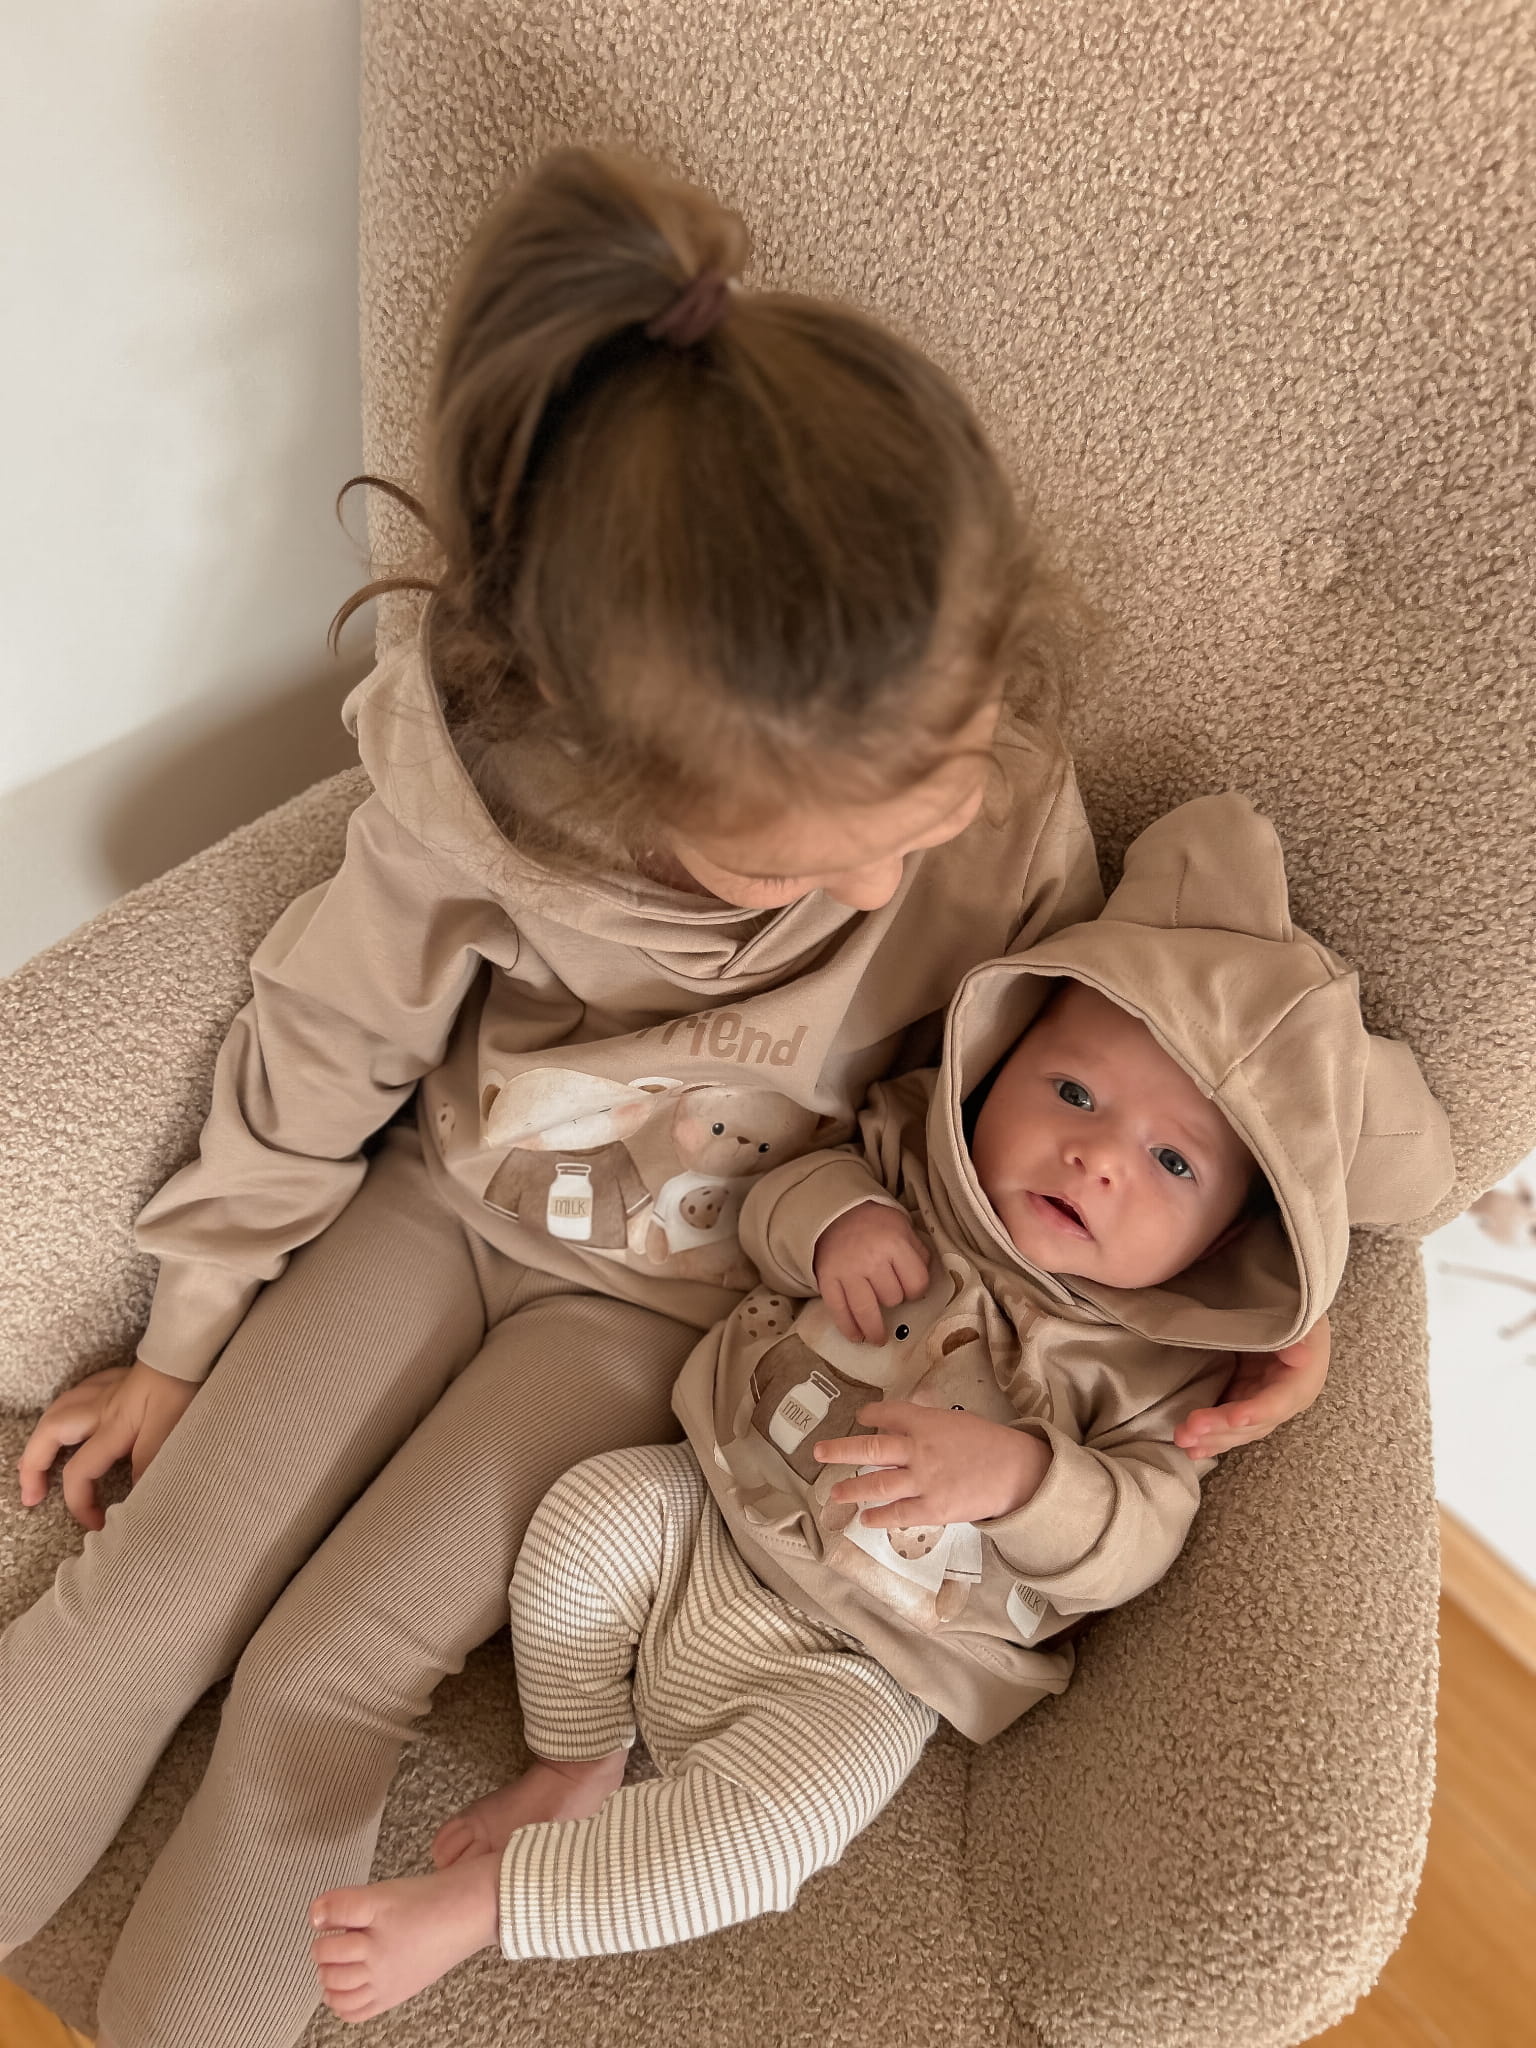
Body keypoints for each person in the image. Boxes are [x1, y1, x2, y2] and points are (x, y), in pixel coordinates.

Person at [2, 148, 1319, 2046]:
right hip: (438, 1205)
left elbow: (1184, 1059)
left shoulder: (999, 815)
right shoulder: (479, 806)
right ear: (603, 774)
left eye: (922, 816)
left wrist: (1286, 1281)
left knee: (320, 1680)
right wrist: (186, 1332)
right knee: (153, 1590)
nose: (880, 892)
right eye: (799, 864)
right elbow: (321, 1045)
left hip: (669, 1321)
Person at [306, 792, 1454, 2023]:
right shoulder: (917, 1152)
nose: (1098, 1156)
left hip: (875, 1667)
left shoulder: (1162, 1366)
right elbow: (775, 1194)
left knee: (759, 1842)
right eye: (1073, 1091)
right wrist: (833, 1221)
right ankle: (574, 1757)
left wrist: (1021, 1478)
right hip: (709, 1507)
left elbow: (1137, 1532)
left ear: (1226, 1238)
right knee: (580, 1525)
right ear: (1000, 1059)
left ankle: (493, 1906)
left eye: (1173, 1162)